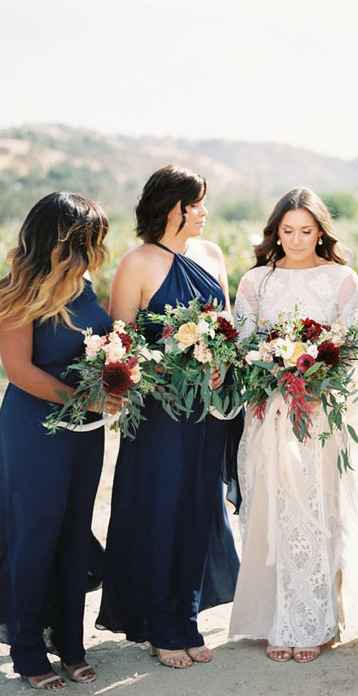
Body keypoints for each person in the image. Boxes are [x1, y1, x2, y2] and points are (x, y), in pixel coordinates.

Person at [0, 192, 118, 690]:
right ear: (68, 238)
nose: (100, 245)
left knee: (75, 533)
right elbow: (18, 372)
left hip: (86, 433)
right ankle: (29, 651)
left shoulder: (86, 284)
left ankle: (72, 645)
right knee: (35, 536)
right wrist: (87, 400)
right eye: (93, 236)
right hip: (36, 430)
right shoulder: (19, 289)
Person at [96, 165, 239, 669]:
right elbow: (120, 347)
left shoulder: (213, 255)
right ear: (174, 206)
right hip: (158, 416)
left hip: (207, 412)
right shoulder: (136, 263)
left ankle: (189, 618)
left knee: (200, 513)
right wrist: (158, 370)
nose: (204, 212)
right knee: (159, 513)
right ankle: (159, 625)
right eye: (197, 203)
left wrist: (222, 362)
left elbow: (227, 329)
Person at [228, 188, 358, 663]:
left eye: (306, 231)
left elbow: (352, 349)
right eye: (287, 231)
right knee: (270, 509)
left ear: (321, 231)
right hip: (268, 413)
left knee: (316, 507)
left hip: (319, 415)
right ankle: (274, 619)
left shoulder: (342, 280)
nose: (296, 240)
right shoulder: (255, 283)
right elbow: (242, 346)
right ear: (275, 231)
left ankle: (316, 622)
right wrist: (270, 366)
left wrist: (315, 371)